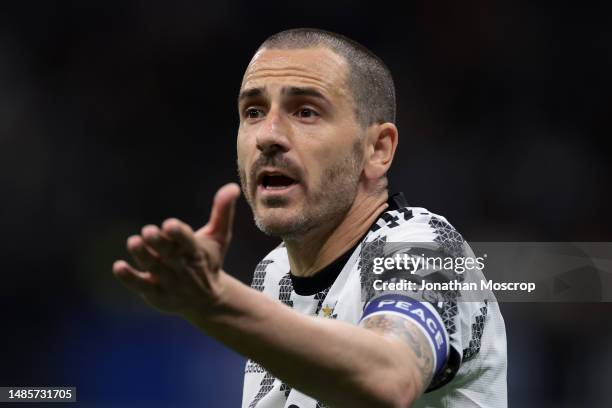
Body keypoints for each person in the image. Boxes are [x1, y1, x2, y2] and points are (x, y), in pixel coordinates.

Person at [112, 28, 507, 408]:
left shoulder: (424, 247)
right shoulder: (274, 273)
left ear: (378, 149)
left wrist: (216, 302)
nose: (268, 135)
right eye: (253, 111)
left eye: (305, 111)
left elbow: (390, 380)